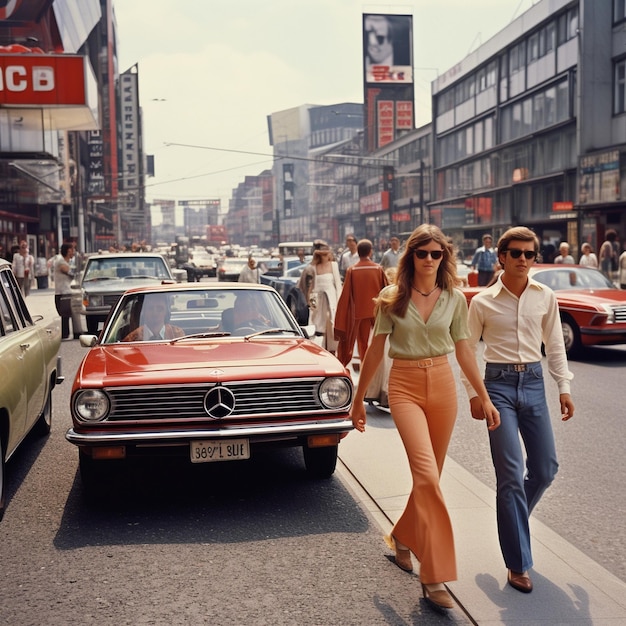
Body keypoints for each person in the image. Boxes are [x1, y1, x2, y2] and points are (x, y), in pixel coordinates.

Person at [350, 224, 500, 613]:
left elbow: (466, 351)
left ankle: (402, 537)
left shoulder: (454, 298)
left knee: (426, 479)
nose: (430, 260)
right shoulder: (390, 297)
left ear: (444, 258)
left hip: (444, 387)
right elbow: (374, 351)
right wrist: (359, 399)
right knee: (429, 478)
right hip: (404, 386)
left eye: (437, 254)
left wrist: (483, 397)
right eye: (423, 253)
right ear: (411, 256)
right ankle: (433, 576)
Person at [461, 226, 574, 594]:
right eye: (517, 253)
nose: (524, 260)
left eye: (530, 254)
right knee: (510, 474)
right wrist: (476, 394)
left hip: (535, 384)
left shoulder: (546, 296)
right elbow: (467, 350)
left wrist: (564, 388)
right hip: (499, 388)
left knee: (545, 468)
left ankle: (513, 519)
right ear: (502, 257)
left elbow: (554, 345)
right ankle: (517, 563)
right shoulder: (482, 301)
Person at [334, 239, 388, 368]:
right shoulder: (378, 269)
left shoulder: (352, 270)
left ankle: (365, 367)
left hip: (359, 313)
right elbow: (386, 290)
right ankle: (378, 368)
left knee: (363, 344)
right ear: (370, 252)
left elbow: (346, 295)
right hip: (377, 312)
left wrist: (342, 316)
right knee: (380, 341)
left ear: (358, 252)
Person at [297, 241, 342, 351]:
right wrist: (310, 303)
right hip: (317, 300)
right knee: (317, 324)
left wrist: (340, 301)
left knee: (332, 324)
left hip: (331, 300)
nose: (326, 256)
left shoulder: (333, 265)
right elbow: (309, 286)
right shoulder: (313, 267)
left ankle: (333, 350)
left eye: (327, 254)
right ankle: (318, 349)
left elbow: (338, 285)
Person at [54, 243, 75, 340]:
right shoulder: (60, 261)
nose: (73, 252)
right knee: (65, 314)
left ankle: (68, 333)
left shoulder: (69, 262)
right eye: (71, 250)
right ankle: (65, 334)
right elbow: (68, 271)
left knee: (68, 314)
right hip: (63, 291)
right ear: (67, 251)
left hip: (66, 290)